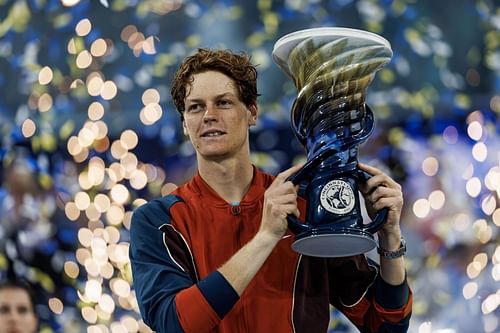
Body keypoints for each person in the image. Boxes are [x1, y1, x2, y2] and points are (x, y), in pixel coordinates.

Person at [129, 48, 412, 333]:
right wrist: (266, 236)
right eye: (195, 107)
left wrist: (390, 238)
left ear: (251, 112)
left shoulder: (305, 209)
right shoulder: (158, 221)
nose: (209, 116)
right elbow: (173, 324)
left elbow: (386, 326)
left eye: (223, 102)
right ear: (185, 124)